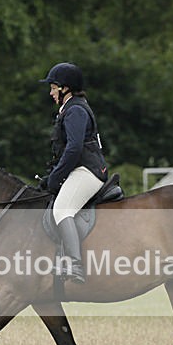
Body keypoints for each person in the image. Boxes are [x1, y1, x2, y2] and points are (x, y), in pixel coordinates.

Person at [40, 62, 108, 284]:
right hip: (81, 169)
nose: (50, 93)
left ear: (65, 88)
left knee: (62, 210)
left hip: (87, 171)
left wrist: (56, 177)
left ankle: (75, 265)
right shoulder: (71, 108)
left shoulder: (76, 110)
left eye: (53, 87)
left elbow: (74, 148)